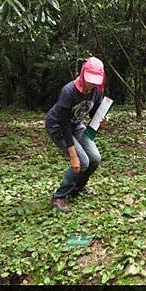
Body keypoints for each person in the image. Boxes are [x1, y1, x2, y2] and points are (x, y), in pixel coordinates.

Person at [46, 57, 107, 214]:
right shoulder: (69, 91)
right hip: (58, 126)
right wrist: (73, 155)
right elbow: (64, 124)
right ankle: (59, 196)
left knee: (95, 159)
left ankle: (78, 187)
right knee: (82, 162)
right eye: (89, 80)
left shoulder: (97, 91)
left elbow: (93, 112)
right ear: (83, 73)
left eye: (95, 81)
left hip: (76, 125)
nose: (91, 84)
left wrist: (101, 119)